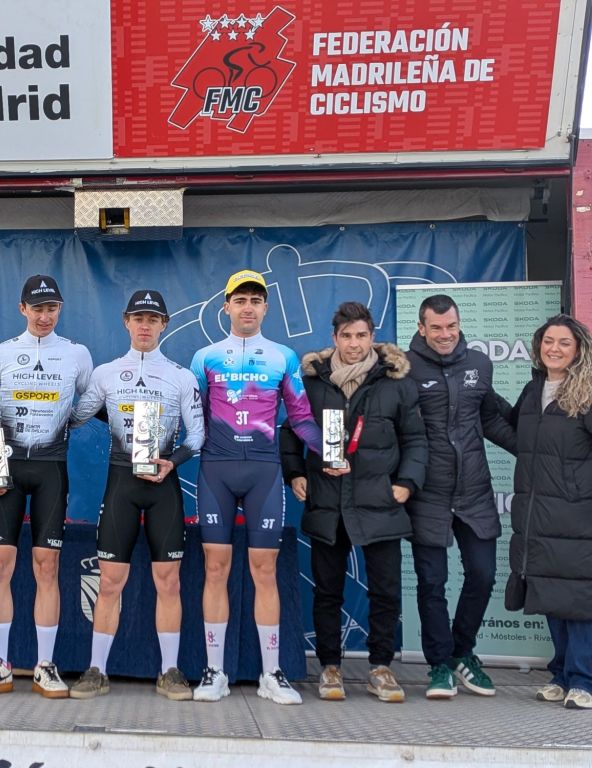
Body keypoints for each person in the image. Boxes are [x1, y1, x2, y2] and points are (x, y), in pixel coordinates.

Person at [280, 301, 427, 702]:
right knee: (327, 592)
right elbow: (291, 432)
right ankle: (330, 667)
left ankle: (381, 667)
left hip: (380, 502)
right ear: (334, 338)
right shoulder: (313, 383)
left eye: (361, 335)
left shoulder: (395, 382)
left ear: (372, 337)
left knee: (385, 591)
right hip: (328, 503)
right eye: (346, 336)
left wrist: (407, 483)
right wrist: (295, 473)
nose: (354, 344)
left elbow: (416, 439)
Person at [189, 269, 322, 705]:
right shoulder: (205, 357)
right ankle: (214, 671)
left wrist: (331, 451)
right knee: (215, 569)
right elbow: (192, 419)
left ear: (266, 307)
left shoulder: (284, 356)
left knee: (265, 570)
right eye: (240, 300)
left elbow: (300, 417)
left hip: (264, 471)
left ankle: (272, 673)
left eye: (256, 300)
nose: (248, 307)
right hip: (216, 470)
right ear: (226, 306)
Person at [68, 290, 204, 701]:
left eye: (153, 319)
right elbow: (77, 416)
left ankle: (170, 671)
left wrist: (172, 461)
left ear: (164, 325)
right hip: (121, 483)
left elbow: (197, 435)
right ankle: (96, 669)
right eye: (138, 318)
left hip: (163, 484)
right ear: (126, 322)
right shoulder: (106, 373)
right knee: (110, 581)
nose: (145, 326)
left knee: (169, 581)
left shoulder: (181, 376)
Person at [0, 275, 93, 698]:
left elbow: (91, 401)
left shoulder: (76, 354)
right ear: (23, 309)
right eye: (37, 309)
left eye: (51, 308)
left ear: (60, 309)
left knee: (47, 566)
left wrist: (64, 422)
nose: (44, 316)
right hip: (5, 463)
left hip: (50, 468)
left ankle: (45, 665)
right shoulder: (0, 353)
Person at [405, 294, 516, 699]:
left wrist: (534, 450)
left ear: (459, 323)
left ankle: (461, 652)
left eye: (451, 326)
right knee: (432, 582)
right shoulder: (404, 368)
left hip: (474, 491)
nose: (445, 334)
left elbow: (489, 419)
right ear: (421, 328)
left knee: (483, 575)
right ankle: (439, 665)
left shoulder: (479, 364)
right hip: (428, 493)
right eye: (436, 327)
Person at [508, 314, 592, 710]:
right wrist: (480, 401)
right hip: (537, 514)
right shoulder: (534, 389)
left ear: (578, 350)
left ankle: (584, 680)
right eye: (548, 341)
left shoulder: (587, 391)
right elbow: (518, 436)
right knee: (550, 596)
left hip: (577, 516)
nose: (554, 348)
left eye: (564, 343)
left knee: (579, 601)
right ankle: (560, 675)